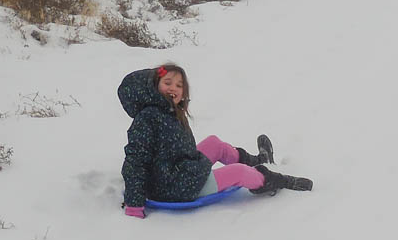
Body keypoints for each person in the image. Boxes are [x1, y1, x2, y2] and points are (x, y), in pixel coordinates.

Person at [119, 64, 313, 218]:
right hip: (175, 188)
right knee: (239, 172)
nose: (173, 88)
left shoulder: (168, 112)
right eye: (167, 82)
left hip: (179, 171)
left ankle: (257, 161)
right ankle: (276, 181)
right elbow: (135, 161)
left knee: (214, 144)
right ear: (155, 86)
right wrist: (134, 204)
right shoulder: (148, 118)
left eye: (179, 85)